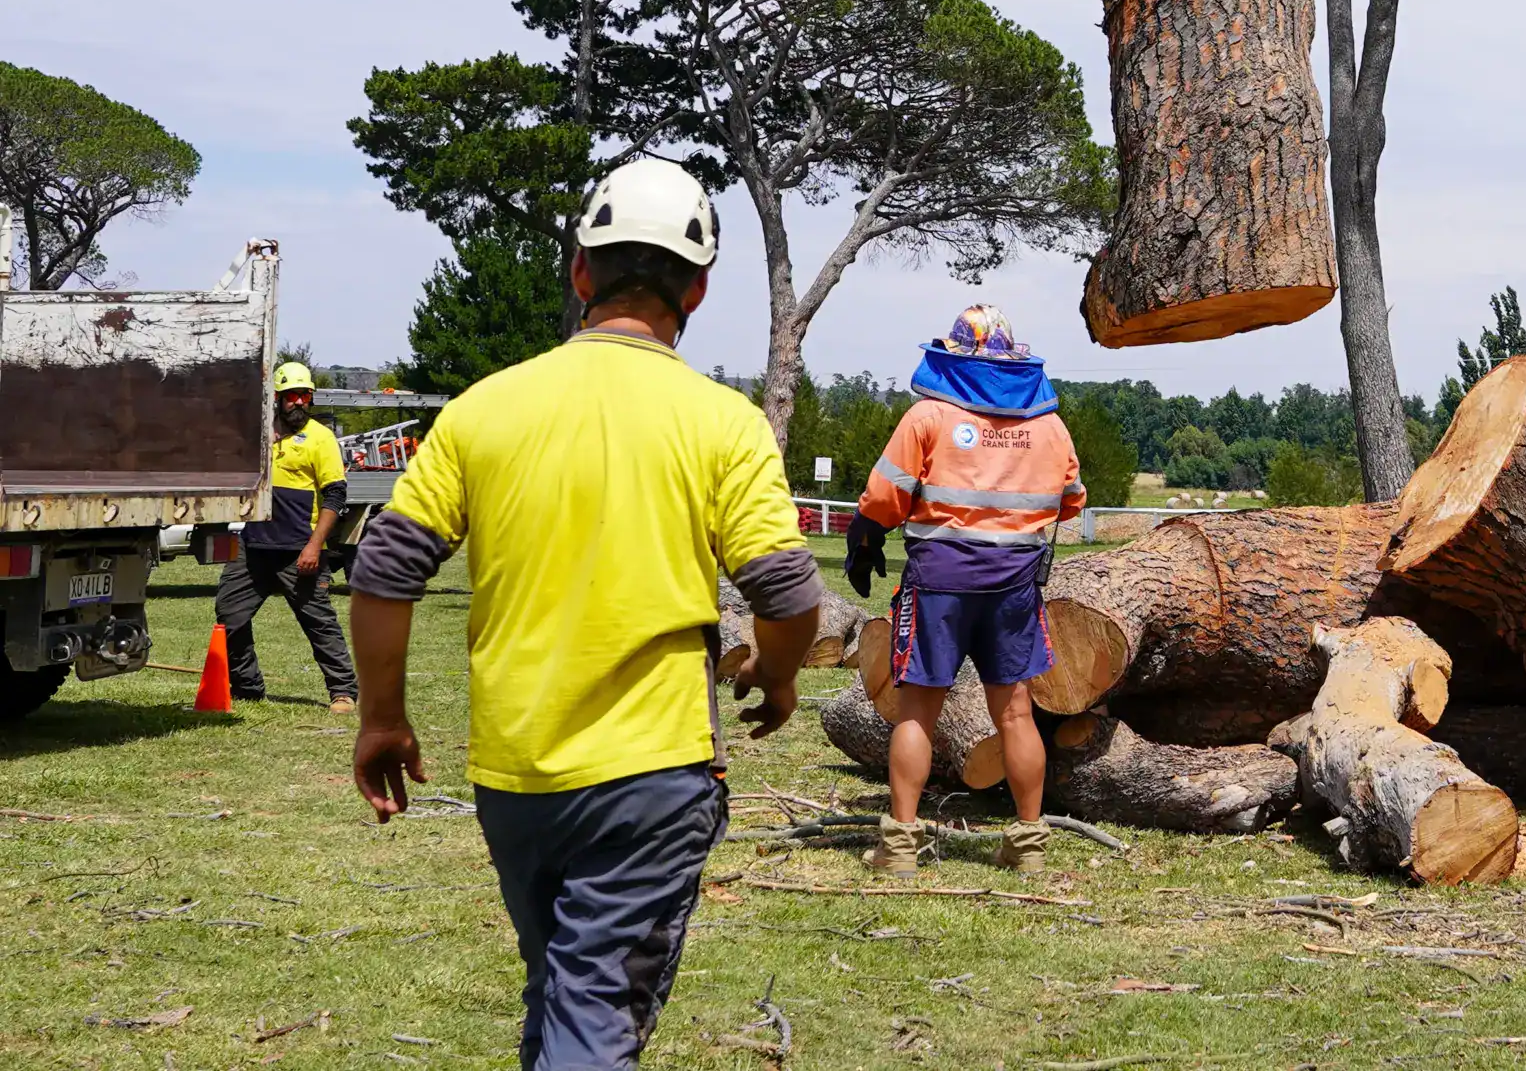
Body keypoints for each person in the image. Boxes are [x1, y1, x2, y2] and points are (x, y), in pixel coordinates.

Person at [346, 160, 821, 1071]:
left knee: (561, 988)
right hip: (651, 777)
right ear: (700, 289)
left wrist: (382, 715)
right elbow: (789, 596)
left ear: (580, 273)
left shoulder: (485, 408)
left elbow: (386, 570)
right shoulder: (723, 424)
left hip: (515, 774)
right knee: (596, 1009)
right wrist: (779, 669)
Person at [847, 304, 1083, 877]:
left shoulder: (928, 416)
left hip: (939, 584)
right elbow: (1071, 499)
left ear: (950, 355)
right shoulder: (1049, 424)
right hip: (1015, 586)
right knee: (1016, 714)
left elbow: (886, 497)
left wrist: (867, 533)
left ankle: (899, 848)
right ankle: (1028, 845)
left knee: (918, 711)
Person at [214, 361, 359, 712]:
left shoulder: (321, 439)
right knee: (228, 617)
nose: (299, 402)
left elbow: (336, 497)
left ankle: (343, 692)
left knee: (319, 623)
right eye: (292, 395)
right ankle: (248, 687)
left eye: (305, 395)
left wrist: (314, 546)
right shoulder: (260, 436)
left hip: (301, 551)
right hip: (252, 547)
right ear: (276, 399)